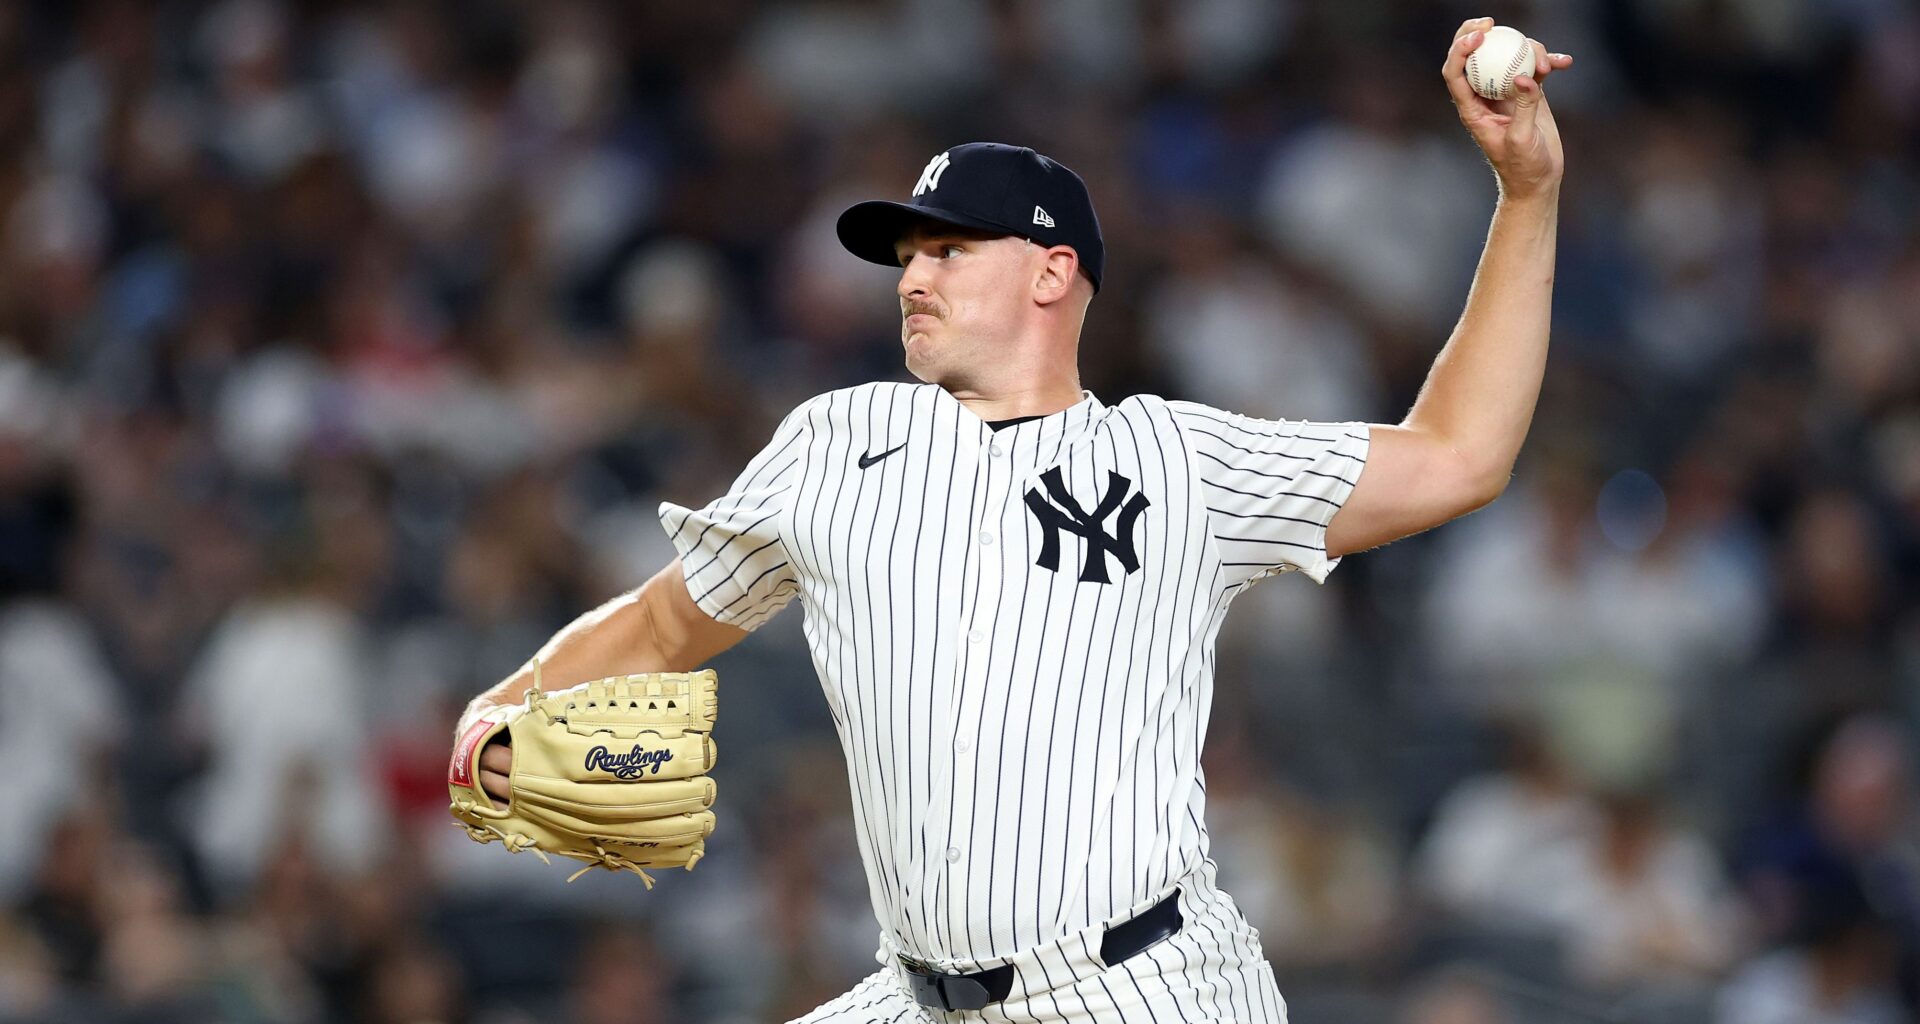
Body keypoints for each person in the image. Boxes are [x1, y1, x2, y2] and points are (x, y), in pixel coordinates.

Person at [455, 19, 1571, 1022]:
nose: (912, 278)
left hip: (1140, 985)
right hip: (915, 992)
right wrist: (503, 709)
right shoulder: (831, 443)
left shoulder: (1178, 460)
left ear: (1051, 271)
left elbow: (1458, 457)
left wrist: (1527, 197)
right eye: (906, 255)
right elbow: (659, 630)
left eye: (948, 249)